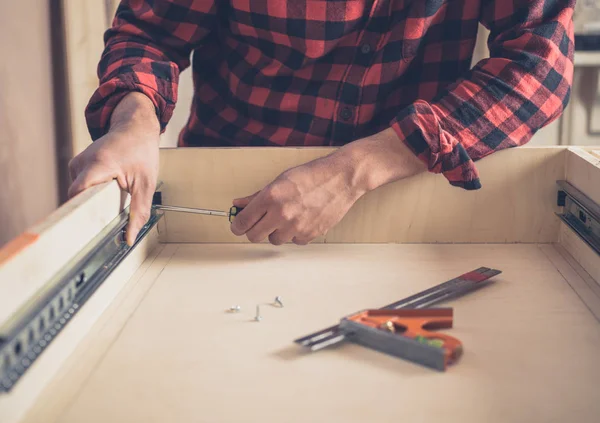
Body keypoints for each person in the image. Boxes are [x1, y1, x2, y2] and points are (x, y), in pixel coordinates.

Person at [68, 0, 575, 246]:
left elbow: (540, 61)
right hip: (236, 194)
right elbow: (151, 32)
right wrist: (133, 124)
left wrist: (357, 168)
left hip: (405, 195)